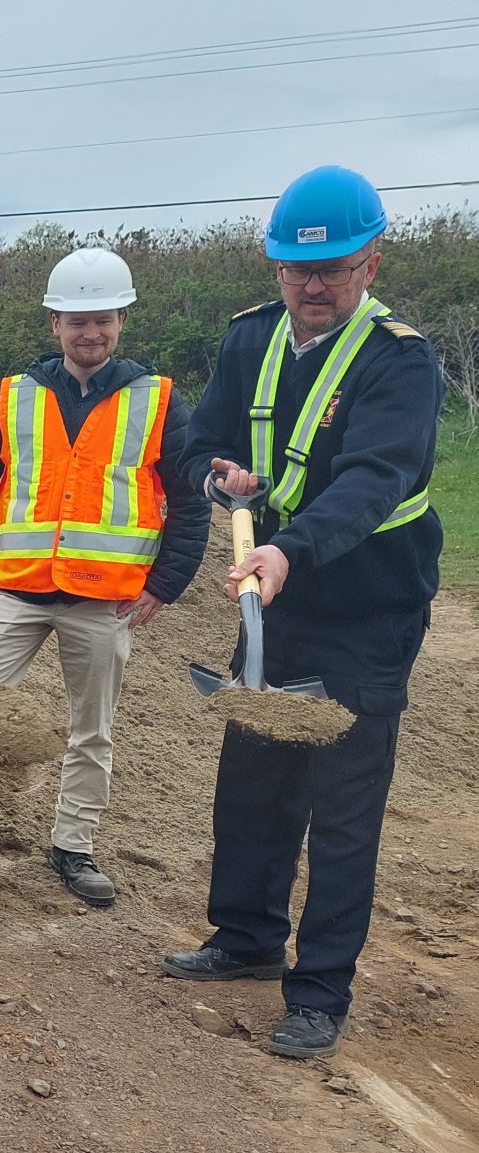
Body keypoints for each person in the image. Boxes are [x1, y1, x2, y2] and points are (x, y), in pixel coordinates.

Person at [164, 166, 442, 1060]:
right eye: (296, 270)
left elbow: (373, 482)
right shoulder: (251, 337)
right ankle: (245, 935)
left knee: (343, 803)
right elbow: (199, 441)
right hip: (272, 597)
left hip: (369, 605)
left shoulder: (400, 361)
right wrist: (217, 478)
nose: (312, 286)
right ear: (276, 267)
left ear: (371, 263)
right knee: (255, 772)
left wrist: (290, 548)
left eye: (332, 269)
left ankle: (320, 990)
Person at [0, 249, 206, 907]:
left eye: (102, 320)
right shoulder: (14, 394)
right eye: (78, 321)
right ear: (55, 324)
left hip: (104, 599)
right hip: (13, 586)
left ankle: (74, 846)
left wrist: (166, 582)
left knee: (92, 729)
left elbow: (190, 500)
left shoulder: (158, 400)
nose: (90, 333)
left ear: (122, 320)